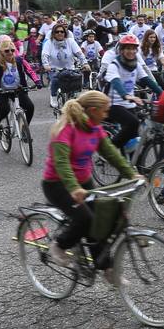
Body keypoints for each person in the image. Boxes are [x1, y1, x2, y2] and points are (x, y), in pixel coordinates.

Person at [42, 90, 138, 278]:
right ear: (93, 110)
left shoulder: (95, 128)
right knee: (85, 219)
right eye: (105, 111)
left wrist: (132, 174)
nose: (107, 115)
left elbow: (111, 153)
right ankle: (59, 245)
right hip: (58, 184)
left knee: (102, 220)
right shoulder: (65, 130)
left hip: (84, 182)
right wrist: (73, 188)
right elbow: (61, 164)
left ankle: (104, 266)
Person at [102, 34, 161, 151]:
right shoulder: (114, 65)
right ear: (122, 50)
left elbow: (146, 80)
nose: (131, 51)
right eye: (128, 48)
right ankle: (110, 151)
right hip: (114, 105)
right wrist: (127, 96)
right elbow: (116, 82)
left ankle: (133, 164)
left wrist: (163, 93)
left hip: (130, 104)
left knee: (135, 133)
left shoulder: (136, 65)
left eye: (134, 48)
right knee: (133, 123)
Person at [0, 37, 41, 139]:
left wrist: (37, 81)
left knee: (30, 107)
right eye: (6, 51)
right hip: (0, 90)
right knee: (4, 108)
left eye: (12, 50)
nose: (10, 52)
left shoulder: (19, 60)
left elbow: (30, 70)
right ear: (1, 51)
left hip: (17, 89)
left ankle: (24, 129)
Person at [41, 24, 87, 110]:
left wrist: (85, 63)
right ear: (53, 33)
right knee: (55, 80)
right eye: (57, 32)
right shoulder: (49, 43)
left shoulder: (70, 41)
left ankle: (74, 99)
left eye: (61, 31)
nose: (59, 33)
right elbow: (44, 55)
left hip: (70, 68)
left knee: (76, 83)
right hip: (55, 69)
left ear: (65, 33)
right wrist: (46, 65)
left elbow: (79, 53)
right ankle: (53, 96)